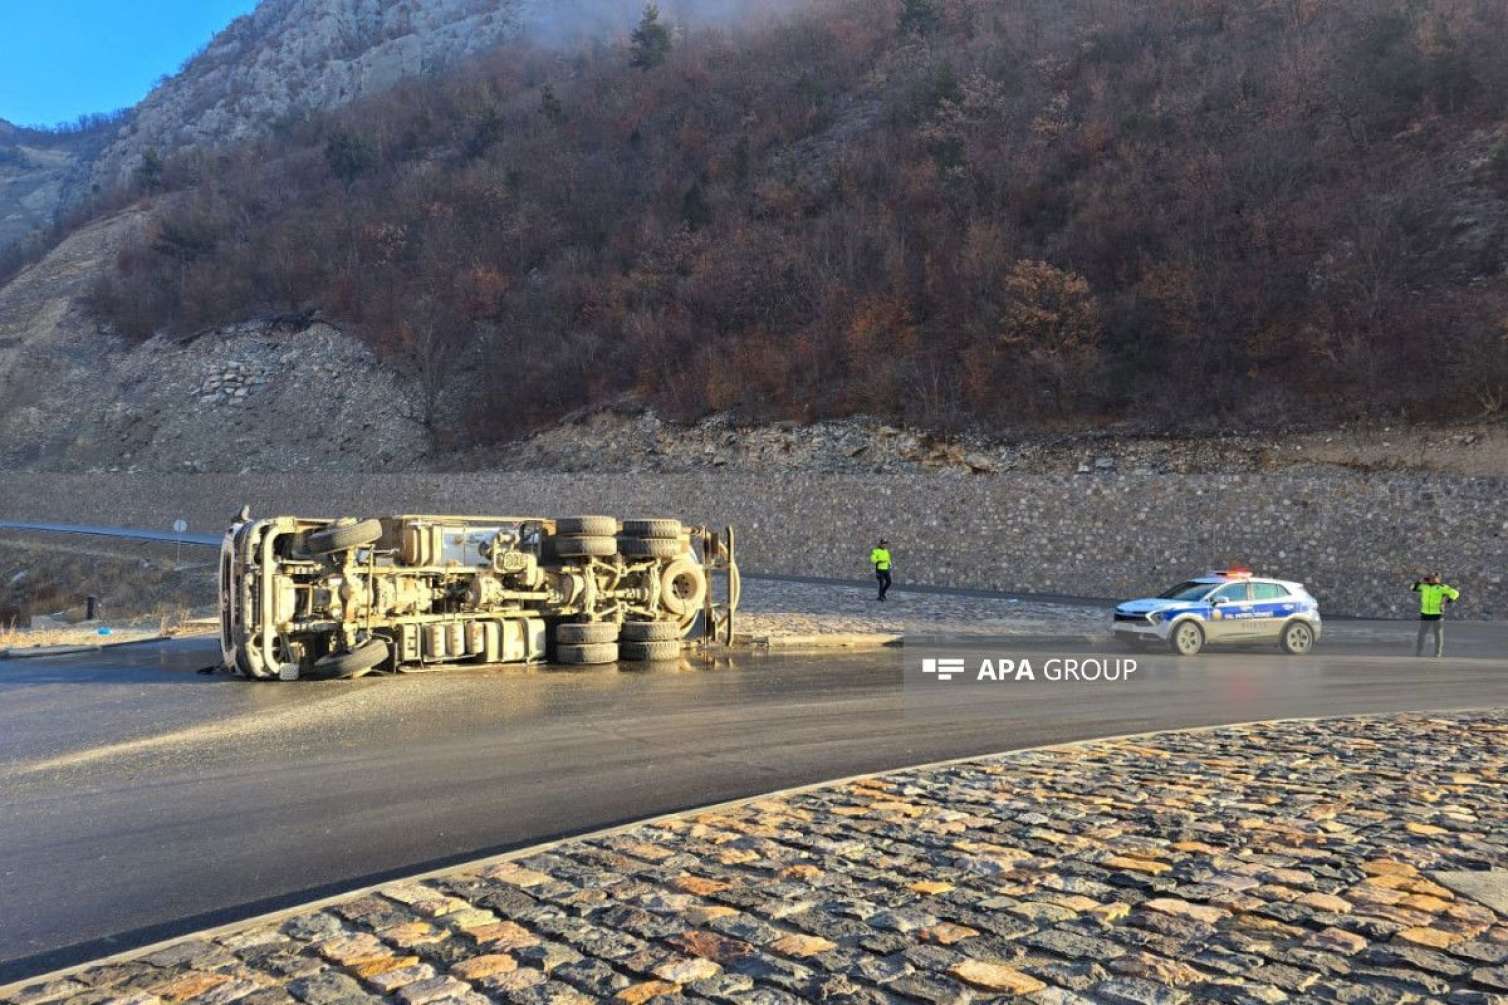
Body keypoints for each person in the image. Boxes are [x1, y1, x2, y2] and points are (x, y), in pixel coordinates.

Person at [1411, 573, 1460, 657]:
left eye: (1434, 578)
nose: (1432, 579)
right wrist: (1419, 581)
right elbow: (1412, 588)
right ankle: (1419, 651)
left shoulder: (1442, 587)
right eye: (1430, 577)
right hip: (1425, 613)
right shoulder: (1424, 586)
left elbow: (1455, 593)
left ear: (1438, 579)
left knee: (1437, 634)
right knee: (1421, 634)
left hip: (1437, 613)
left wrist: (1449, 600)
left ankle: (1437, 652)